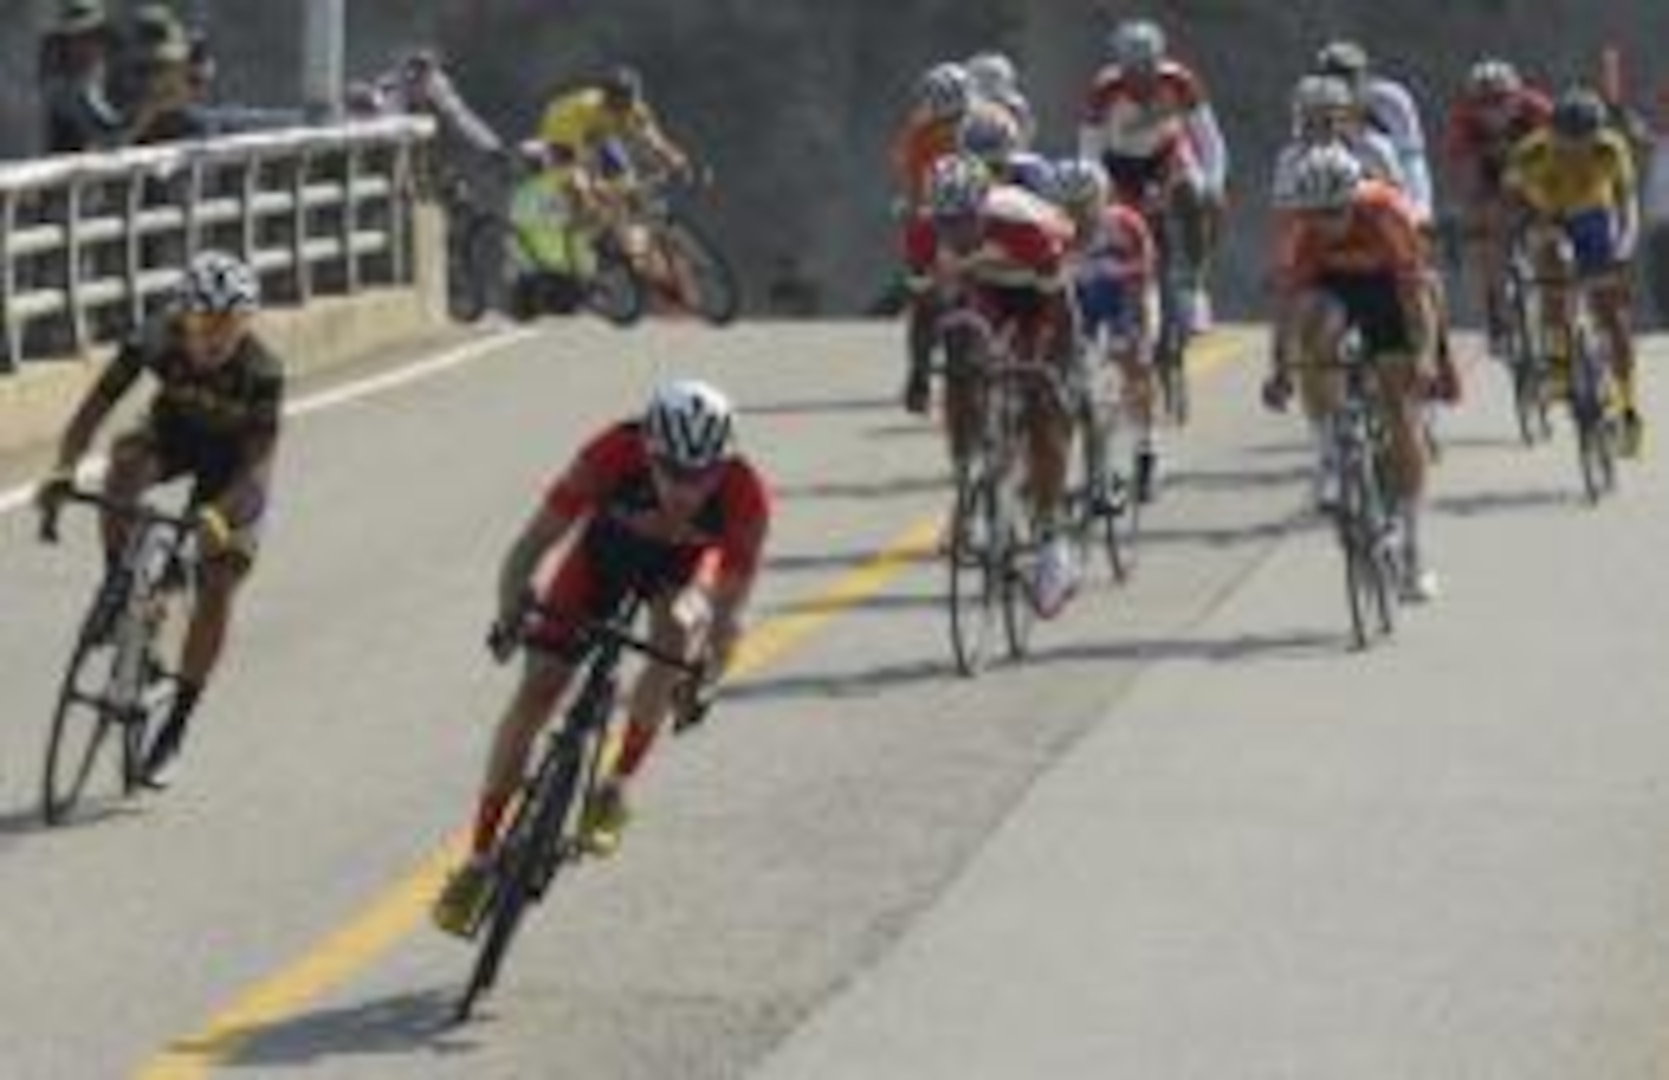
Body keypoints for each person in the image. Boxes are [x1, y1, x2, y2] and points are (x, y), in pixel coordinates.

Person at [432, 380, 770, 937]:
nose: (687, 489)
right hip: (603, 557)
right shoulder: (611, 451)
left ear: (725, 464)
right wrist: (509, 613)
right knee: (538, 690)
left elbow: (730, 612)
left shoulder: (745, 496)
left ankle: (613, 787)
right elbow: (532, 544)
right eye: (672, 471)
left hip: (681, 577)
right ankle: (479, 861)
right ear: (648, 451)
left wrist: (705, 681)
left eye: (703, 474)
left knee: (681, 631)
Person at [35, 251, 282, 786]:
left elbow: (259, 469)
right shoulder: (154, 338)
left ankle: (175, 726)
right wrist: (63, 470)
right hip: (172, 437)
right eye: (203, 323)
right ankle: (119, 585)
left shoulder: (262, 371)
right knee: (124, 465)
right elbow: (93, 410)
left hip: (232, 472)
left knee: (217, 583)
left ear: (246, 324)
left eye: (229, 325)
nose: (215, 337)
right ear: (181, 318)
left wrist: (218, 517)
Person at [903, 154, 1083, 617]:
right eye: (946, 222)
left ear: (983, 208)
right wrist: (919, 372)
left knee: (1043, 402)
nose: (955, 233)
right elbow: (925, 312)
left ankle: (1051, 539)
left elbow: (1057, 314)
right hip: (983, 289)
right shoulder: (925, 235)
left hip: (1039, 295)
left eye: (964, 221)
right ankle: (971, 475)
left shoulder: (1024, 226)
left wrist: (1046, 370)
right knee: (961, 355)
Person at [1265, 146, 1442, 601]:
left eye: (1336, 211)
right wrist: (1279, 367)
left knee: (1399, 405)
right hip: (1332, 289)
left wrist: (1422, 357)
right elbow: (1286, 304)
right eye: (1316, 213)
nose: (1327, 222)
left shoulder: (1386, 210)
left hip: (1389, 290)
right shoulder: (1300, 228)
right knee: (1313, 327)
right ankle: (1329, 445)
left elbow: (1415, 296)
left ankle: (1411, 546)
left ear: (1354, 198)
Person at [1503, 86, 1644, 455]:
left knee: (1611, 313)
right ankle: (1560, 365)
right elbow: (1512, 200)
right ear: (1553, 133)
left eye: (1586, 139)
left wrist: (1625, 245)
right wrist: (1521, 235)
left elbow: (1628, 204)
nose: (1578, 148)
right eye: (1569, 141)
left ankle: (1627, 405)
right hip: (1547, 216)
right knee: (1552, 281)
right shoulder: (1532, 151)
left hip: (1594, 216)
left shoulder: (1611, 148)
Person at [1080, 17, 1228, 332]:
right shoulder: (1104, 89)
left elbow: (1209, 138)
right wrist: (1097, 196)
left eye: (1148, 68)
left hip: (1167, 155)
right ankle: (1124, 289)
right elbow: (1089, 153)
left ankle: (1194, 285)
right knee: (1111, 221)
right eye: (1132, 70)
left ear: (1160, 61)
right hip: (1119, 163)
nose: (1141, 79)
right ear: (1120, 67)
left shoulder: (1180, 81)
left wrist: (1213, 184)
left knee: (1194, 193)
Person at [522, 65, 693, 283]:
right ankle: (591, 241)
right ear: (607, 98)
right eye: (620, 101)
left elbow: (655, 141)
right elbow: (576, 160)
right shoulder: (584, 109)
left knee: (628, 186)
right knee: (583, 190)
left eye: (629, 99)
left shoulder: (634, 107)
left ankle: (625, 240)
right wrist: (594, 185)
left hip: (598, 135)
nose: (626, 106)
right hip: (564, 133)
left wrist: (676, 160)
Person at [1054, 157, 1161, 503]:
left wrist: (1133, 336)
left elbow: (1141, 287)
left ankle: (1145, 450)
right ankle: (1086, 467)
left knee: (1134, 364)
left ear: (1102, 199)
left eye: (1084, 205)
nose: (1077, 214)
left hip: (1126, 299)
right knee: (1069, 379)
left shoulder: (1126, 225)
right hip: (1082, 304)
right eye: (1068, 206)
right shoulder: (1054, 231)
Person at [1444, 58, 1553, 351]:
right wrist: (1475, 218)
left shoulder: (1538, 110)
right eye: (1483, 103)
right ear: (1471, 103)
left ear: (1518, 96)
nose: (1493, 110)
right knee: (1487, 234)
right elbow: (1463, 172)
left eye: (1501, 100)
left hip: (1535, 172)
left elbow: (1558, 161)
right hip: (1488, 178)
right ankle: (1495, 303)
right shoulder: (1463, 120)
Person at [1314, 39, 1434, 227]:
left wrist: (1420, 210)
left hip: (1390, 185)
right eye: (1330, 79)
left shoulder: (1393, 100)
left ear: (1364, 77)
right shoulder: (1312, 107)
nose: (1340, 87)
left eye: (1348, 77)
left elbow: (1412, 158)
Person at [37, 0, 125, 154]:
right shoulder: (59, 88)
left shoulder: (104, 76)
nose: (87, 47)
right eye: (79, 39)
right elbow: (108, 132)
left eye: (94, 38)